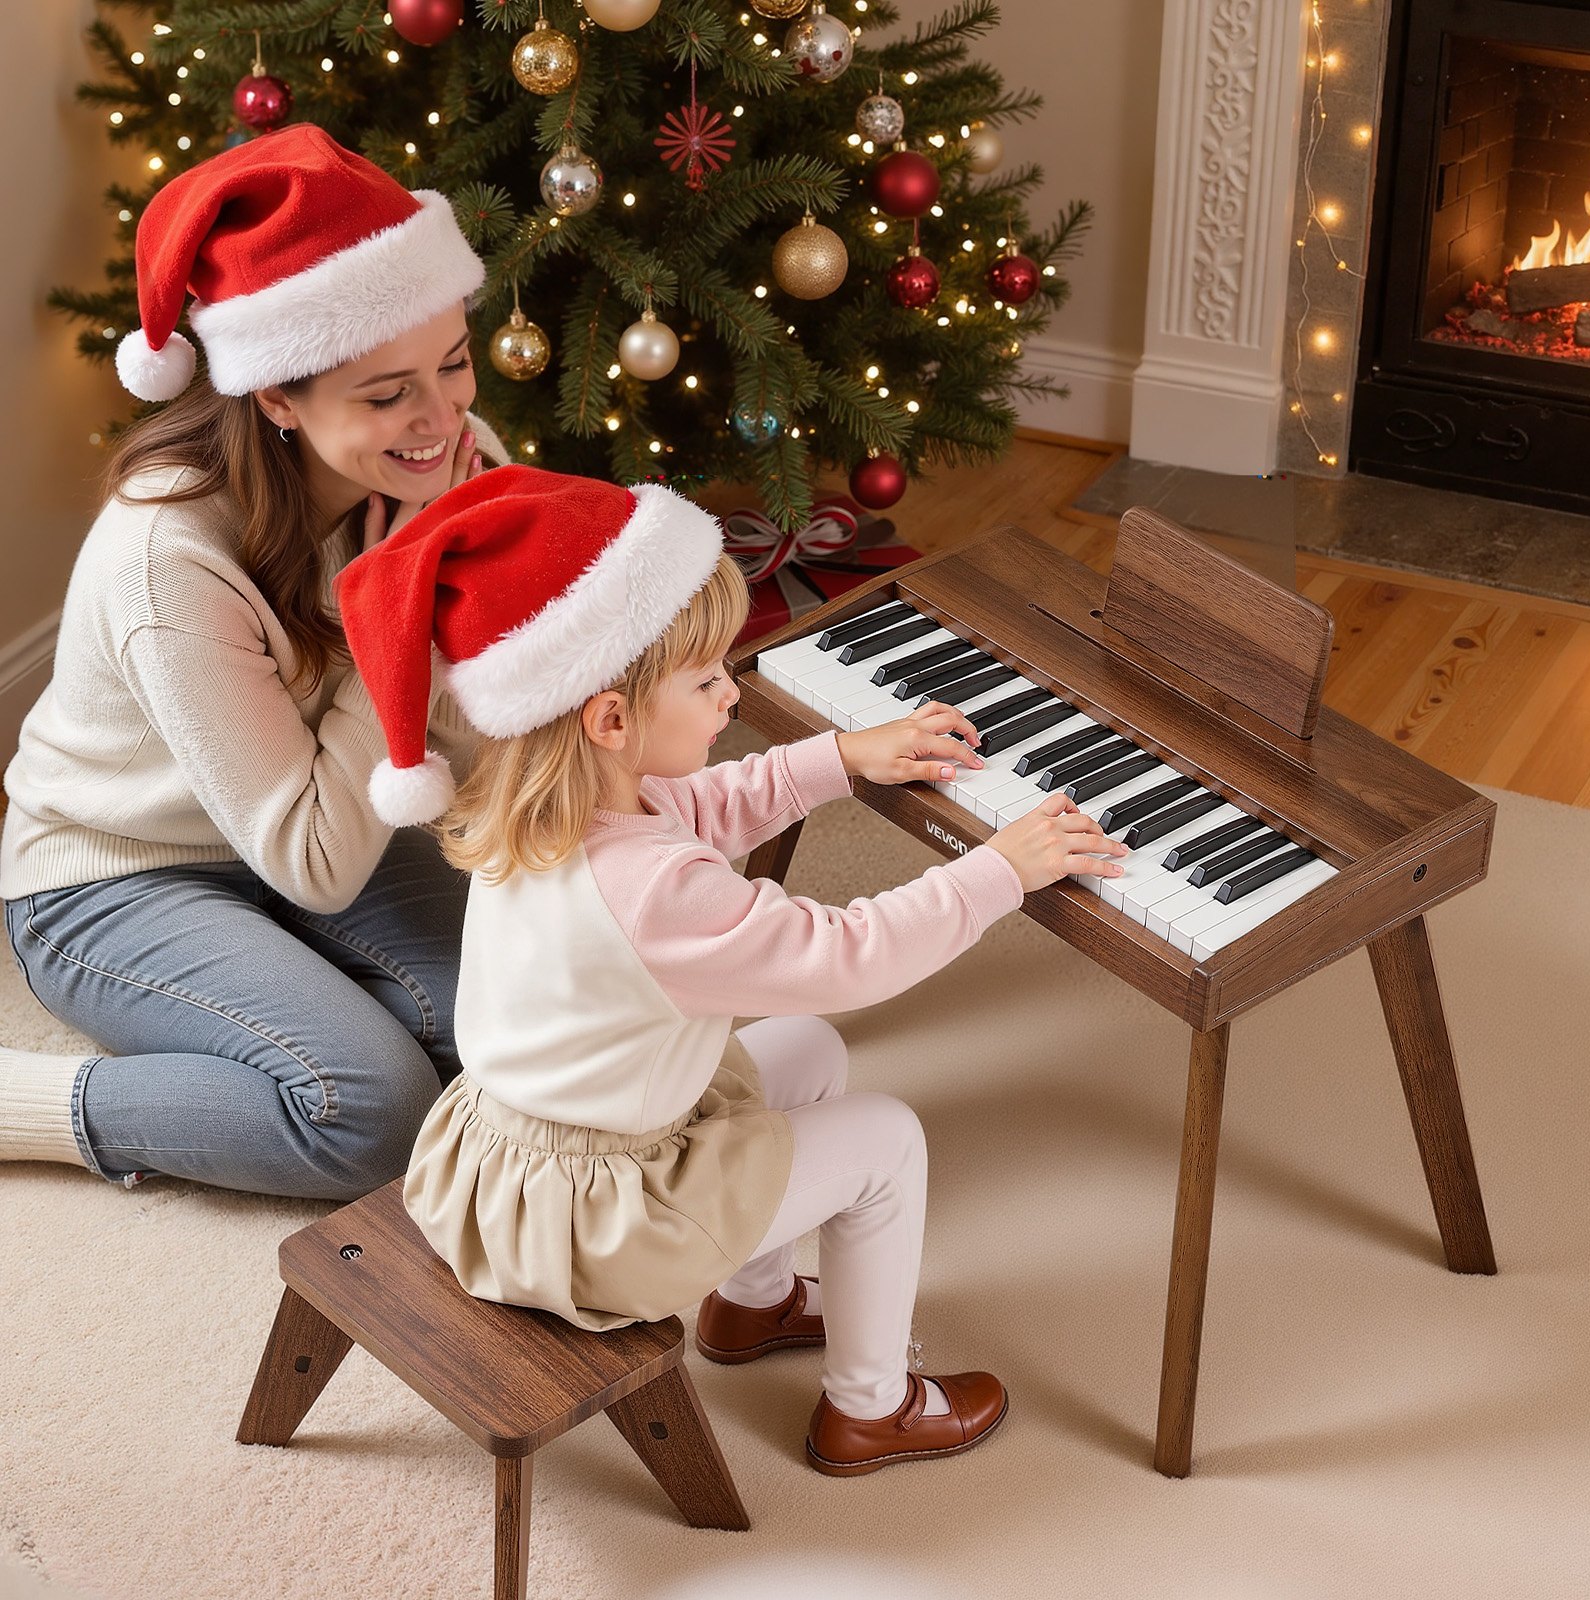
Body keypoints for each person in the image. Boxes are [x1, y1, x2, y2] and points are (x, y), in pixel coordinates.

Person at [335, 465, 1129, 1475]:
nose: (732, 690)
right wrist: (995, 873)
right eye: (706, 678)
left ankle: (752, 1305)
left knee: (802, 1049)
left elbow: (701, 809)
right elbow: (851, 954)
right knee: (885, 1137)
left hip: (506, 1164)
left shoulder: (553, 810)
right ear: (610, 719)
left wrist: (840, 757)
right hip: (592, 1224)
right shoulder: (656, 893)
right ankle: (870, 1407)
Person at [0, 124, 506, 1199]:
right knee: (376, 1117)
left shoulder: (426, 466)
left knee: (527, 1025)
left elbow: (466, 743)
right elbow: (314, 860)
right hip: (115, 871)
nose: (441, 416)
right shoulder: (166, 556)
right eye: (385, 393)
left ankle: (296, 1012)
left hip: (316, 814)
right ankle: (29, 1106)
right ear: (277, 396)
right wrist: (402, 611)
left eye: (452, 364)